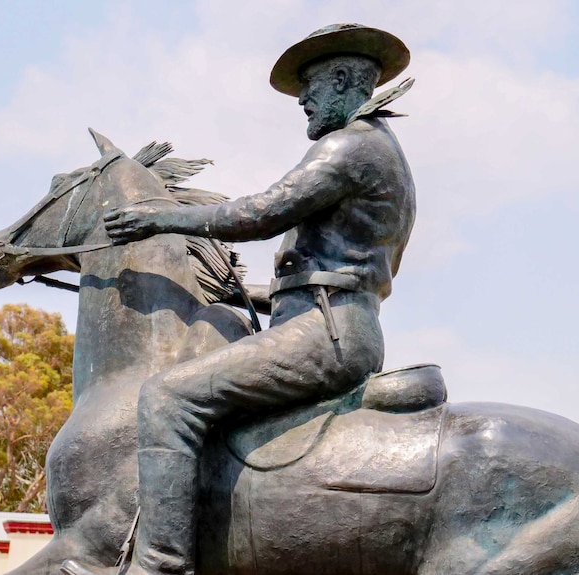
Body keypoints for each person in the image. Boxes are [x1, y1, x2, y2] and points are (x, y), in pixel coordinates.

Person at [63, 23, 416, 575]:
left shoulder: (352, 147)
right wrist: (251, 293)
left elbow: (259, 213)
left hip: (328, 334)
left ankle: (159, 563)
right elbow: (340, 271)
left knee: (166, 398)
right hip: (329, 320)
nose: (302, 98)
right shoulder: (377, 150)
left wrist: (159, 218)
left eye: (311, 85)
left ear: (346, 80)